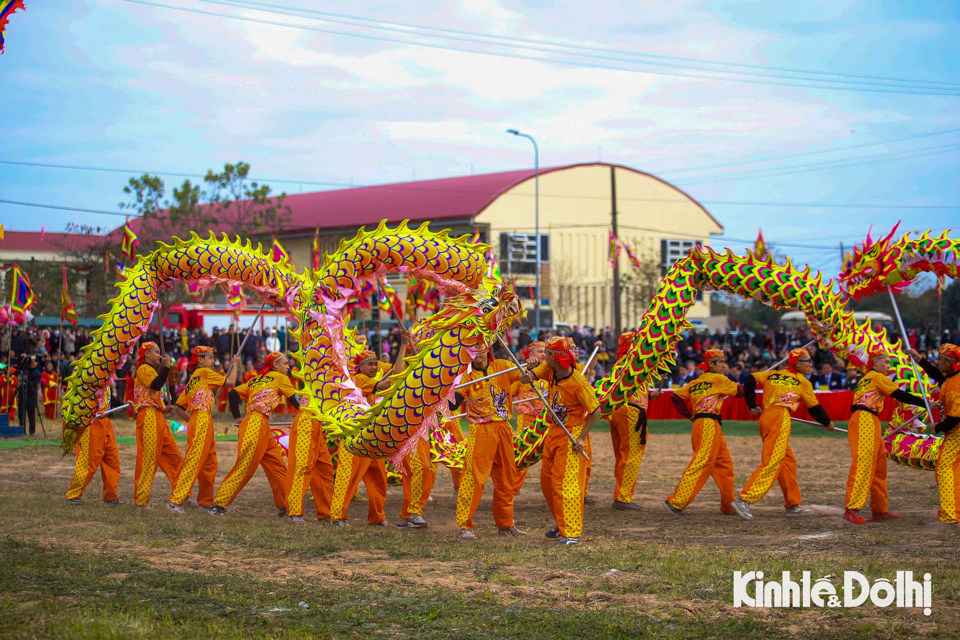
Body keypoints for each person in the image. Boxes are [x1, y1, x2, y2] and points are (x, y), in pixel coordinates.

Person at [732, 349, 836, 521]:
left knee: (787, 461)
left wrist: (752, 405)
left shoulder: (773, 374)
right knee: (772, 461)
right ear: (797, 363)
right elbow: (814, 408)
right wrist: (827, 423)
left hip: (767, 417)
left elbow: (749, 379)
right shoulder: (802, 381)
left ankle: (793, 504)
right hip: (780, 418)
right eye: (806, 360)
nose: (810, 364)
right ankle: (745, 499)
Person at [520, 336, 601, 546]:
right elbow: (528, 377)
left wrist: (581, 438)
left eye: (547, 353)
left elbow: (595, 411)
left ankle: (572, 533)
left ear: (555, 357)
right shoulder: (550, 369)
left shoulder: (579, 384)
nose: (544, 356)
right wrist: (528, 374)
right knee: (547, 482)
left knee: (565, 485)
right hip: (553, 432)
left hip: (570, 435)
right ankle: (561, 522)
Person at [209, 352, 300, 516]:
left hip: (258, 423)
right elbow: (296, 402)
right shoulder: (281, 379)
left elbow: (233, 394)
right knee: (245, 466)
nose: (288, 367)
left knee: (277, 465)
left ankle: (286, 505)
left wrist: (238, 418)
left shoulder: (256, 379)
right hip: (256, 423)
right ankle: (219, 504)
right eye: (285, 364)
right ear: (275, 365)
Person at [842, 348, 926, 524]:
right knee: (864, 462)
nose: (888, 366)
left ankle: (879, 509)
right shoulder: (876, 377)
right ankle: (852, 508)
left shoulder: (867, 378)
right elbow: (899, 395)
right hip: (865, 418)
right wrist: (924, 402)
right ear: (875, 362)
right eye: (886, 362)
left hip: (870, 419)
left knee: (879, 464)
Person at [451, 345, 526, 540]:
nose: (477, 354)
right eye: (472, 351)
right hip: (480, 430)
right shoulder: (466, 376)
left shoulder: (502, 366)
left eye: (480, 349)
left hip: (503, 427)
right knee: (474, 478)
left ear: (487, 350)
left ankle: (506, 524)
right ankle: (464, 526)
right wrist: (441, 391)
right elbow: (454, 402)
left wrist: (529, 374)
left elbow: (523, 376)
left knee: (506, 477)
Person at [664, 349, 740, 516]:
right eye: (720, 362)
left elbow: (675, 397)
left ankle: (729, 504)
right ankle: (676, 501)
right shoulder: (719, 379)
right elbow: (740, 392)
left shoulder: (695, 383)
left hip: (702, 423)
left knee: (724, 464)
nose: (723, 365)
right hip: (709, 425)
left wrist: (690, 415)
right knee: (702, 463)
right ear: (710, 364)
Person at [167, 347, 240, 513]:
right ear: (200, 360)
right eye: (210, 358)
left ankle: (205, 502)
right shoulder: (204, 373)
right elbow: (230, 382)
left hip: (200, 419)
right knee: (194, 459)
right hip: (201, 419)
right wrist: (235, 364)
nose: (213, 361)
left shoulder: (194, 378)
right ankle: (175, 500)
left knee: (210, 462)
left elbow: (178, 407)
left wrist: (192, 419)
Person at [329, 350, 395, 527]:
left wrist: (404, 346)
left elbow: (397, 369)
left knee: (378, 475)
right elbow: (385, 385)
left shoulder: (370, 381)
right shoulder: (358, 380)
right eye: (370, 364)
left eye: (376, 364)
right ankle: (337, 516)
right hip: (354, 434)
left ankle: (377, 516)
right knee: (348, 474)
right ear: (360, 367)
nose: (374, 367)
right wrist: (406, 379)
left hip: (370, 435)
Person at [607, 333, 662, 511]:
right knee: (631, 456)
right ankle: (623, 497)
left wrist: (650, 396)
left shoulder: (621, 363)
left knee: (622, 455)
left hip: (618, 411)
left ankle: (621, 494)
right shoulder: (636, 362)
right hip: (631, 412)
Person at [910, 346, 960, 525]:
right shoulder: (953, 376)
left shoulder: (955, 386)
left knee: (944, 468)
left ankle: (949, 514)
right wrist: (919, 359)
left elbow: (955, 418)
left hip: (957, 432)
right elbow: (939, 375)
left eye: (940, 359)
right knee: (955, 470)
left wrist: (937, 427)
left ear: (950, 362)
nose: (938, 362)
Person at [132, 342, 186, 507]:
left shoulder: (153, 371)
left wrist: (163, 408)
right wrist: (166, 368)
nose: (159, 355)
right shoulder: (144, 369)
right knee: (148, 459)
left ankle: (183, 494)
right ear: (146, 354)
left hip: (158, 417)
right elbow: (154, 385)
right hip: (148, 417)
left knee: (174, 456)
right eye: (156, 352)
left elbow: (153, 393)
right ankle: (141, 500)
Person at [66, 384, 122, 505]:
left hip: (105, 422)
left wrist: (122, 404)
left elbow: (108, 397)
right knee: (88, 461)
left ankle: (111, 495)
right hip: (91, 423)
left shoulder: (107, 378)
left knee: (112, 460)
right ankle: (74, 494)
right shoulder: (90, 375)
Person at [283, 395, 335, 524]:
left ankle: (326, 513)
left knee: (325, 469)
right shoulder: (313, 375)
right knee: (303, 466)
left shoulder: (343, 378)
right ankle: (295, 512)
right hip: (306, 420)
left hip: (318, 421)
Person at [508, 340, 548, 496]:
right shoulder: (521, 372)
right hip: (527, 419)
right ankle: (512, 489)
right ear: (530, 355)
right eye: (539, 351)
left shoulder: (551, 371)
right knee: (522, 453)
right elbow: (508, 393)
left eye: (545, 351)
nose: (543, 354)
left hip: (547, 420)